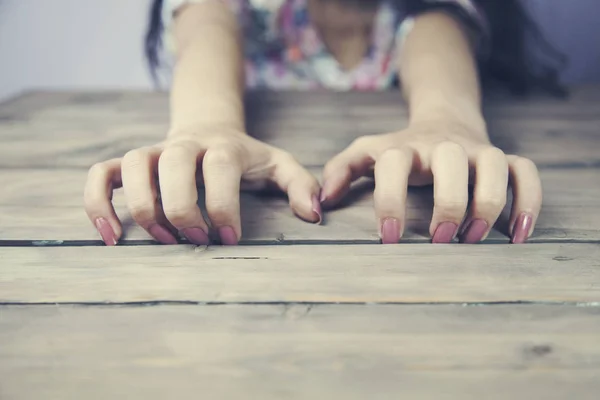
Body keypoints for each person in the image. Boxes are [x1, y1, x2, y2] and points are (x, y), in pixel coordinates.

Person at [84, 0, 566, 246]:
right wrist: (204, 128)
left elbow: (439, 42)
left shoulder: (429, 13)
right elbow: (206, 30)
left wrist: (450, 125)